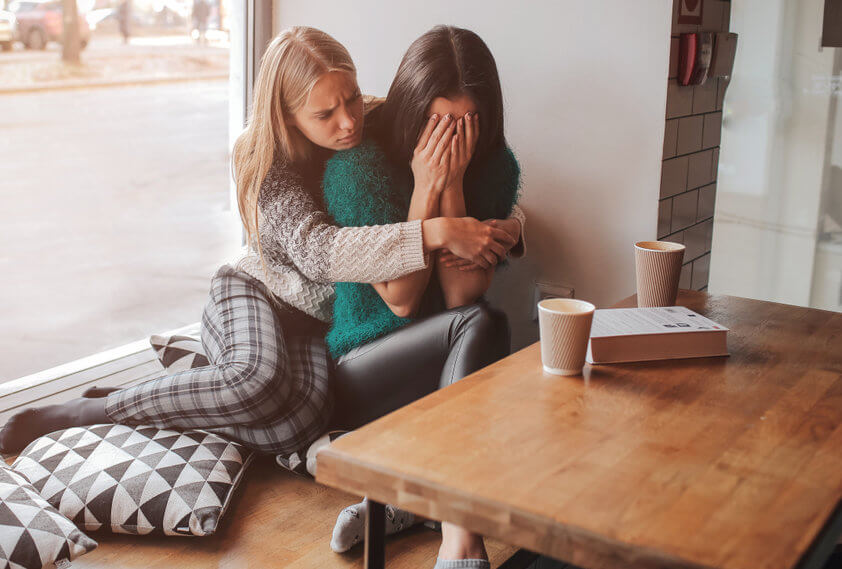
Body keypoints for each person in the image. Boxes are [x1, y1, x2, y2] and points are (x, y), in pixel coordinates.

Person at [322, 26, 520, 569]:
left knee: (484, 318)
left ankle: (412, 501)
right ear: (412, 110)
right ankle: (461, 538)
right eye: (438, 123)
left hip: (443, 369)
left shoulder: (497, 166)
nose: (452, 138)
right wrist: (425, 188)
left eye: (466, 124)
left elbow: (461, 295)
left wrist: (453, 183)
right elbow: (403, 303)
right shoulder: (357, 166)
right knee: (482, 324)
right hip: (363, 366)